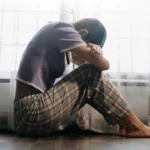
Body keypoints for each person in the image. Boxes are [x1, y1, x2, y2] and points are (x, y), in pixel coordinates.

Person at [14, 18, 150, 137]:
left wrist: (95, 51)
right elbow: (104, 65)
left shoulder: (58, 36)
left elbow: (86, 64)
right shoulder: (62, 27)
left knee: (90, 74)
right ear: (82, 33)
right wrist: (94, 52)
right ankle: (134, 125)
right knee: (89, 72)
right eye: (84, 43)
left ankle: (128, 124)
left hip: (28, 116)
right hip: (30, 110)